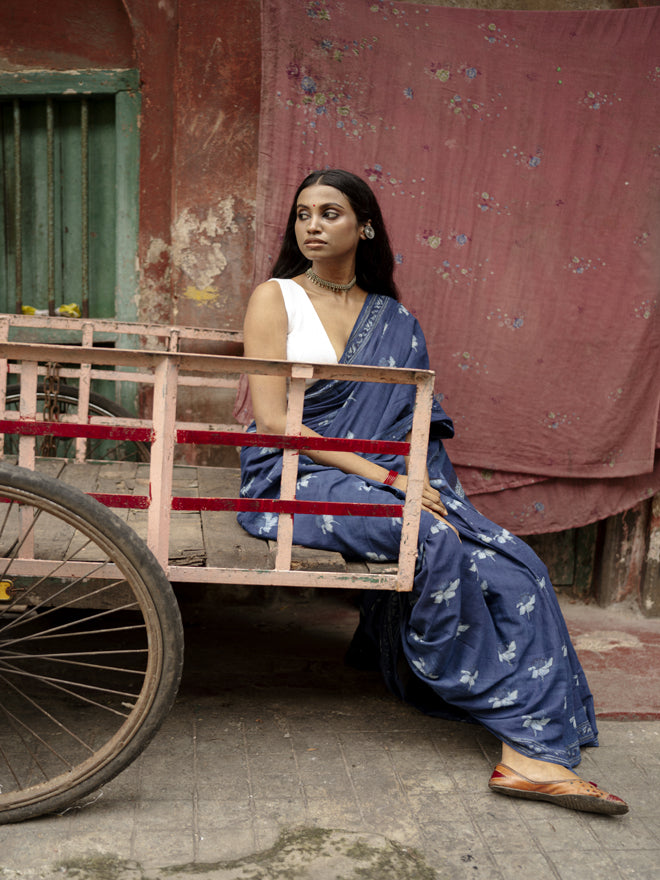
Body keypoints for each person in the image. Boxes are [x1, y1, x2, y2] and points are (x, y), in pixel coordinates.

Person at [238, 168, 628, 816]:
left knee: (517, 565)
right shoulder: (274, 299)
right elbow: (278, 423)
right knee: (432, 537)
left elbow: (412, 429)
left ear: (364, 226)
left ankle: (528, 748)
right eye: (303, 213)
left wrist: (418, 482)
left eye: (329, 213)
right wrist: (394, 481)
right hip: (294, 473)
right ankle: (526, 747)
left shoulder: (393, 319)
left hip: (385, 475)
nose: (311, 225)